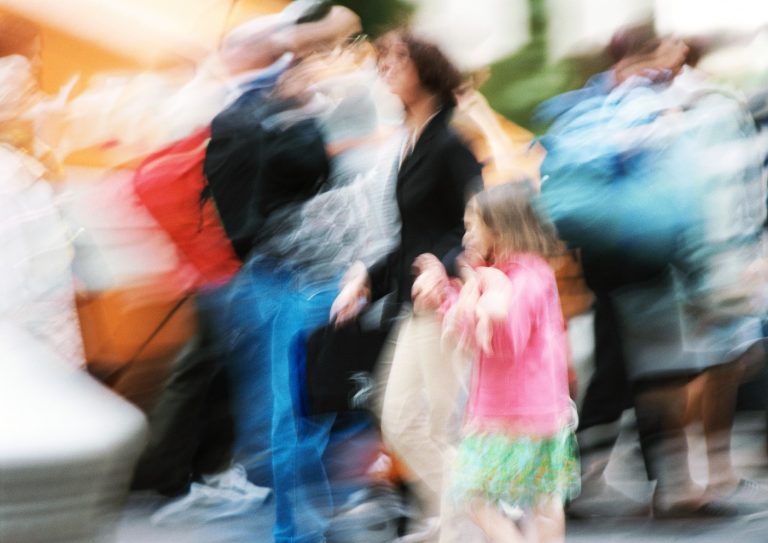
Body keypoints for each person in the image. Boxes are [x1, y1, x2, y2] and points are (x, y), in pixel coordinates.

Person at [329, 29, 482, 540]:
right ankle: (467, 519)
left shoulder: (450, 143)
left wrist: (443, 266)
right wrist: (366, 279)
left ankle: (472, 523)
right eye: (383, 61)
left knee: (434, 424)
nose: (385, 68)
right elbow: (411, 235)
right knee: (399, 420)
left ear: (426, 70)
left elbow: (476, 225)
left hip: (444, 300)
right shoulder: (411, 142)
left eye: (397, 59)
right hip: (413, 299)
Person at [414, 182, 580, 543]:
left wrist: (462, 306)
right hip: (542, 413)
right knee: (544, 504)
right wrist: (449, 300)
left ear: (500, 230)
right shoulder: (525, 274)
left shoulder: (520, 279)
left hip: (510, 417)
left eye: (473, 226)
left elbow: (505, 341)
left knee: (474, 497)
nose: (467, 235)